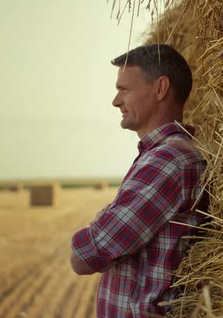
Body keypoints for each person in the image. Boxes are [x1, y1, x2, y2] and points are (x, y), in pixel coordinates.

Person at [70, 44, 207, 317]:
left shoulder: (169, 161)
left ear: (160, 89)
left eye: (124, 89)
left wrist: (101, 220)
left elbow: (86, 256)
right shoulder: (158, 156)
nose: (115, 101)